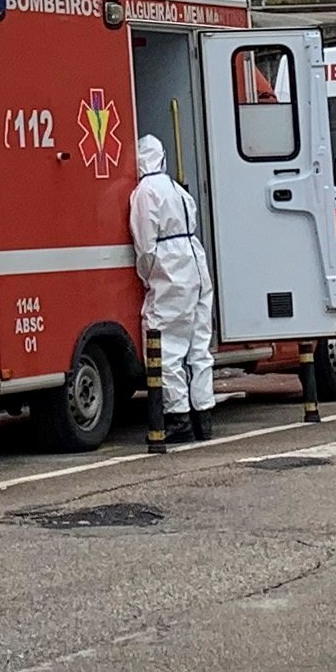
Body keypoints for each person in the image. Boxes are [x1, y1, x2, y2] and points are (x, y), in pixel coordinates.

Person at [130, 134, 216, 442]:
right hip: (195, 262)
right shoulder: (177, 189)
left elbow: (145, 246)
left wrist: (149, 278)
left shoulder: (144, 193)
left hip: (171, 268)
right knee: (198, 344)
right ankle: (203, 417)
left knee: (164, 345)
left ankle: (177, 418)